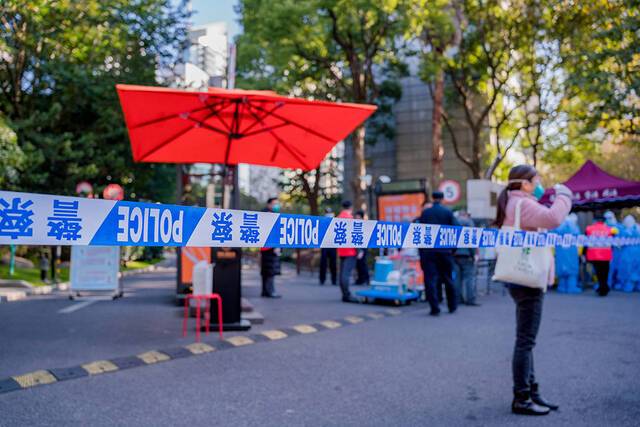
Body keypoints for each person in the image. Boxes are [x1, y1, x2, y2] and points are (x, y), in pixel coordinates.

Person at [494, 164, 572, 416]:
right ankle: (522, 398)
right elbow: (553, 219)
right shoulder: (523, 204)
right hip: (527, 280)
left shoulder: (514, 203)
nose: (539, 184)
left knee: (526, 341)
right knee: (525, 341)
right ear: (524, 183)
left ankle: (531, 392)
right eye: (536, 180)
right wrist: (564, 196)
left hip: (519, 278)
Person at [418, 191, 458, 316]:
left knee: (430, 279)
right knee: (448, 278)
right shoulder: (447, 213)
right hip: (445, 251)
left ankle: (434, 307)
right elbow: (456, 231)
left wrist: (422, 251)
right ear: (443, 199)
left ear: (432, 198)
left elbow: (420, 232)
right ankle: (452, 306)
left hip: (429, 251)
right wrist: (453, 249)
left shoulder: (425, 213)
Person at [454, 210, 480, 306]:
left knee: (457, 278)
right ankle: (470, 299)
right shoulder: (469, 223)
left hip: (455, 255)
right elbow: (471, 240)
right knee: (469, 278)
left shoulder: (454, 222)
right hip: (467, 254)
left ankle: (458, 299)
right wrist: (474, 254)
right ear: (466, 215)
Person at [586, 214, 613, 297]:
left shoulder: (589, 229)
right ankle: (603, 288)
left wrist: (585, 254)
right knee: (605, 273)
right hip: (606, 255)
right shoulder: (610, 229)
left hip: (595, 255)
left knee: (598, 273)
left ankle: (602, 288)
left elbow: (585, 242)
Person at [553, 214, 581, 294]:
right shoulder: (574, 228)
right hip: (572, 253)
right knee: (572, 271)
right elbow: (579, 239)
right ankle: (572, 288)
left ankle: (562, 287)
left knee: (562, 270)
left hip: (560, 252)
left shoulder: (558, 228)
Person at [337, 201, 358, 303]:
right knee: (346, 273)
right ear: (351, 207)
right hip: (350, 250)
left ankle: (344, 294)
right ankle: (347, 295)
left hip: (341, 249)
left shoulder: (338, 217)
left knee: (342, 273)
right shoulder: (350, 218)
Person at [260, 197, 282, 298]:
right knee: (270, 271)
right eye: (274, 204)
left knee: (266, 271)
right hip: (269, 247)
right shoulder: (268, 215)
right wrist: (276, 246)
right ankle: (270, 291)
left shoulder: (267, 214)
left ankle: (265, 291)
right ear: (269, 205)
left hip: (267, 247)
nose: (276, 206)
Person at [619, 215, 640, 292]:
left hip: (628, 252)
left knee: (628, 268)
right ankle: (636, 285)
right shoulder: (637, 229)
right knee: (636, 267)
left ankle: (629, 285)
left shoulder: (624, 230)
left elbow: (620, 243)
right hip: (636, 251)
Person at [319, 208, 337, 286]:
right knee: (325, 263)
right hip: (326, 244)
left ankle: (332, 279)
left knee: (331, 263)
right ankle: (324, 279)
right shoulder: (323, 220)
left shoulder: (334, 220)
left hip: (330, 244)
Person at [353, 209, 370, 286]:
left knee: (363, 264)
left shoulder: (364, 225)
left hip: (363, 248)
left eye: (358, 217)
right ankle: (360, 279)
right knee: (358, 264)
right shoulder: (356, 224)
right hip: (357, 247)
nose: (356, 218)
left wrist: (362, 251)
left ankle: (367, 279)